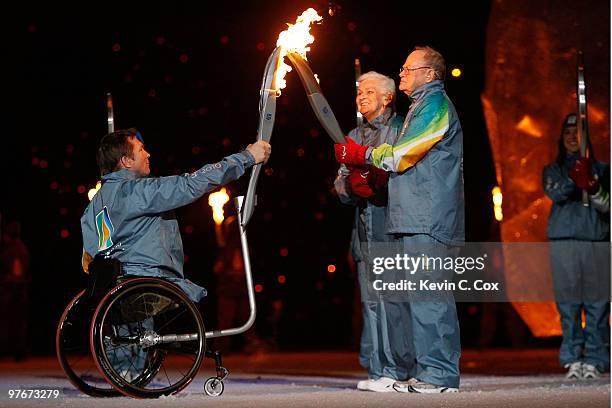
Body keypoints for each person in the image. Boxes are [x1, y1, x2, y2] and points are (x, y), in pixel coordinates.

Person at [334, 46, 464, 393]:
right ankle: (428, 371)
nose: (402, 73)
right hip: (413, 215)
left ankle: (439, 374)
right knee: (421, 299)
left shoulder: (434, 104)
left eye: (408, 69)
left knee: (429, 297)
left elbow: (405, 153)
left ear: (430, 74)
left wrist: (364, 156)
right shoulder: (419, 107)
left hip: (428, 215)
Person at [81, 128, 271, 303]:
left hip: (110, 291)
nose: (148, 154)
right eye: (141, 150)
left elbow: (88, 259)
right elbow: (191, 184)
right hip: (145, 284)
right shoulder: (137, 192)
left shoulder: (91, 207)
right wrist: (246, 157)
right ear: (126, 161)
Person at [334, 71, 405, 392]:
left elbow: (407, 175)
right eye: (359, 92)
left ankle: (400, 367)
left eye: (370, 92)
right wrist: (351, 185)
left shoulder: (401, 130)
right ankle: (379, 370)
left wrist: (378, 179)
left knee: (396, 302)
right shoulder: (352, 134)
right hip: (364, 234)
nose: (362, 97)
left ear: (388, 97)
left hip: (394, 230)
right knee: (372, 303)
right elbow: (339, 184)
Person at [542, 113, 610, 379]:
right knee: (568, 305)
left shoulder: (603, 169)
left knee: (597, 304)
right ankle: (572, 358)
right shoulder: (553, 170)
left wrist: (592, 185)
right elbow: (556, 192)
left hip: (595, 242)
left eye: (577, 133)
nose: (572, 137)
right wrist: (574, 176)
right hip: (564, 244)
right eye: (567, 133)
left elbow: (608, 206)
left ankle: (595, 357)